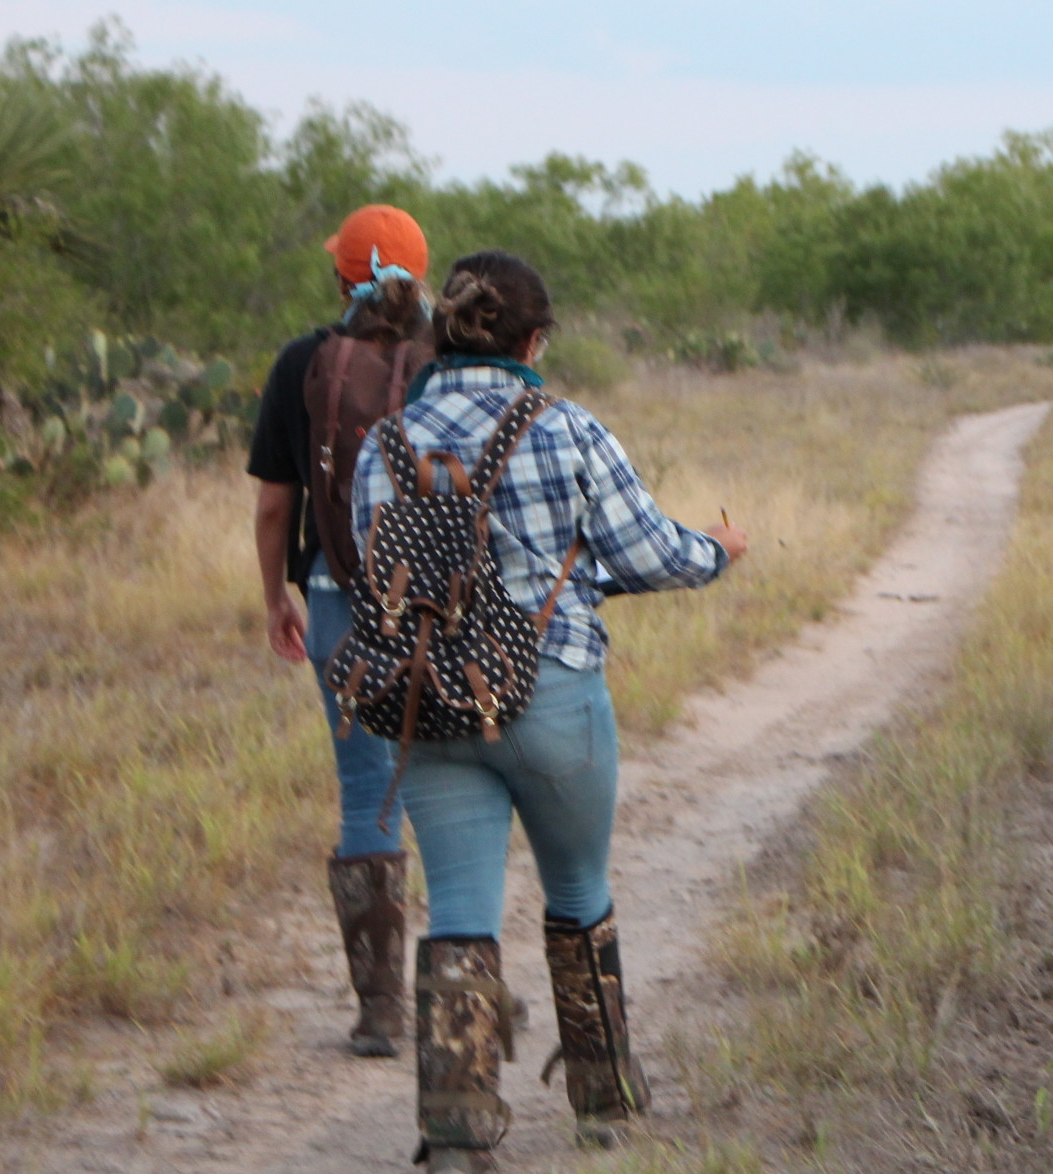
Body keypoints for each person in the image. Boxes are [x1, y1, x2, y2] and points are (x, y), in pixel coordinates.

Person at [349, 250, 748, 1172]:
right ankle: (604, 1102)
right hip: (551, 692)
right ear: (535, 340)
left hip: (433, 701)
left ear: (442, 332)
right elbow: (650, 553)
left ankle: (455, 1133)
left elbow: (379, 573)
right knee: (576, 892)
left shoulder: (386, 441)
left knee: (458, 909)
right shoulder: (564, 427)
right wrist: (720, 550)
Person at [248, 204, 434, 1057]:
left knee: (367, 797)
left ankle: (379, 1013)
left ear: (341, 277)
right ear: (421, 276)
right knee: (451, 789)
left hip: (334, 596)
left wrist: (276, 596)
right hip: (442, 610)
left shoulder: (301, 363)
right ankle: (467, 982)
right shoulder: (449, 363)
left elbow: (274, 506)